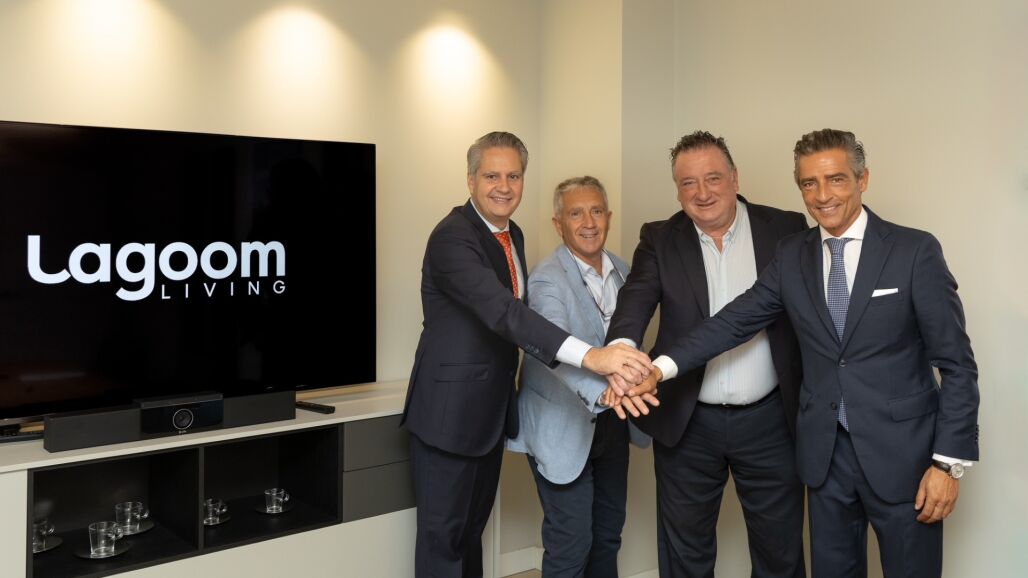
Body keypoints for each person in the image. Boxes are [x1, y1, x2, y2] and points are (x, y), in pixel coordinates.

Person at [621, 129, 980, 577]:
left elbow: (957, 365)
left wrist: (947, 463)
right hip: (824, 459)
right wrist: (659, 369)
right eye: (809, 183)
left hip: (904, 457)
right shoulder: (793, 254)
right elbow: (733, 321)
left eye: (836, 179)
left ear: (863, 179)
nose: (822, 195)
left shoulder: (914, 250)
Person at [401, 132, 653, 578]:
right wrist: (592, 358)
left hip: (489, 415)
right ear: (470, 180)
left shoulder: (509, 233)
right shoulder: (452, 237)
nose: (504, 186)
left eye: (513, 176)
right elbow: (506, 313)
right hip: (448, 416)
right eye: (492, 176)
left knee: (469, 536)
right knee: (444, 543)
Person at [605, 131, 807, 577]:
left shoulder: (786, 229)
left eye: (713, 178)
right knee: (685, 556)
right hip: (688, 421)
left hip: (771, 421)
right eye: (688, 183)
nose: (702, 193)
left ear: (735, 178)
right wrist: (621, 353)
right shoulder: (659, 238)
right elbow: (635, 300)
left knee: (780, 554)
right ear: (677, 190)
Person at [508, 176, 654, 578]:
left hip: (613, 424)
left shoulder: (624, 271)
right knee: (571, 542)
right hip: (562, 425)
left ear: (608, 217)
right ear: (559, 224)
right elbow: (553, 348)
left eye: (596, 211)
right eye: (576, 213)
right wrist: (605, 393)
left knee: (608, 535)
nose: (588, 222)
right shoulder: (546, 278)